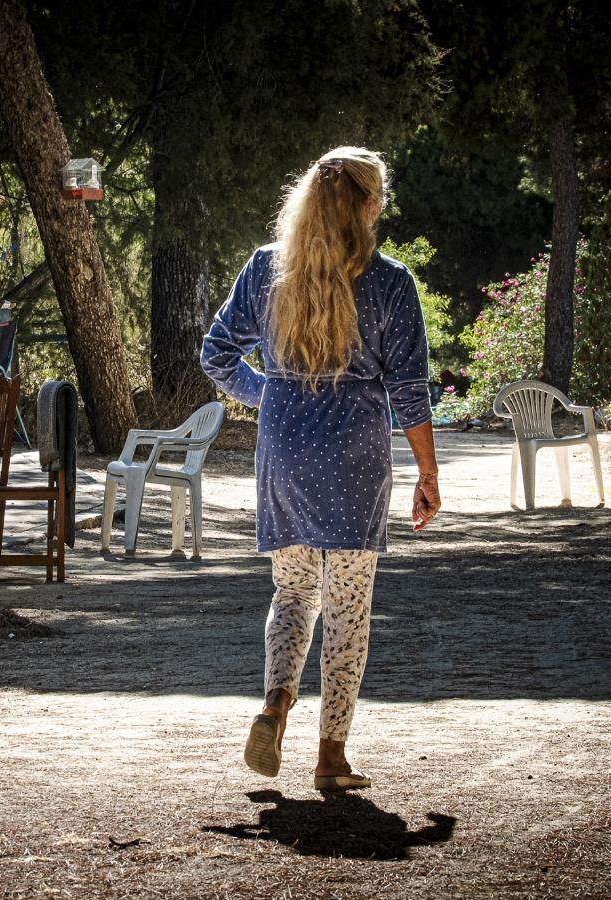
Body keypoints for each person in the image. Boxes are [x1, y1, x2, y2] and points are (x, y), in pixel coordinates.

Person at [201, 147, 440, 791]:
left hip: (284, 455)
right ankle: (331, 757)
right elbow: (411, 393)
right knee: (348, 610)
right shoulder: (390, 283)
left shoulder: (265, 271)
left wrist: (272, 392)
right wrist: (428, 475)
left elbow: (216, 355)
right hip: (356, 460)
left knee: (293, 593)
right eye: (379, 199)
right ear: (366, 205)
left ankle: (276, 702)